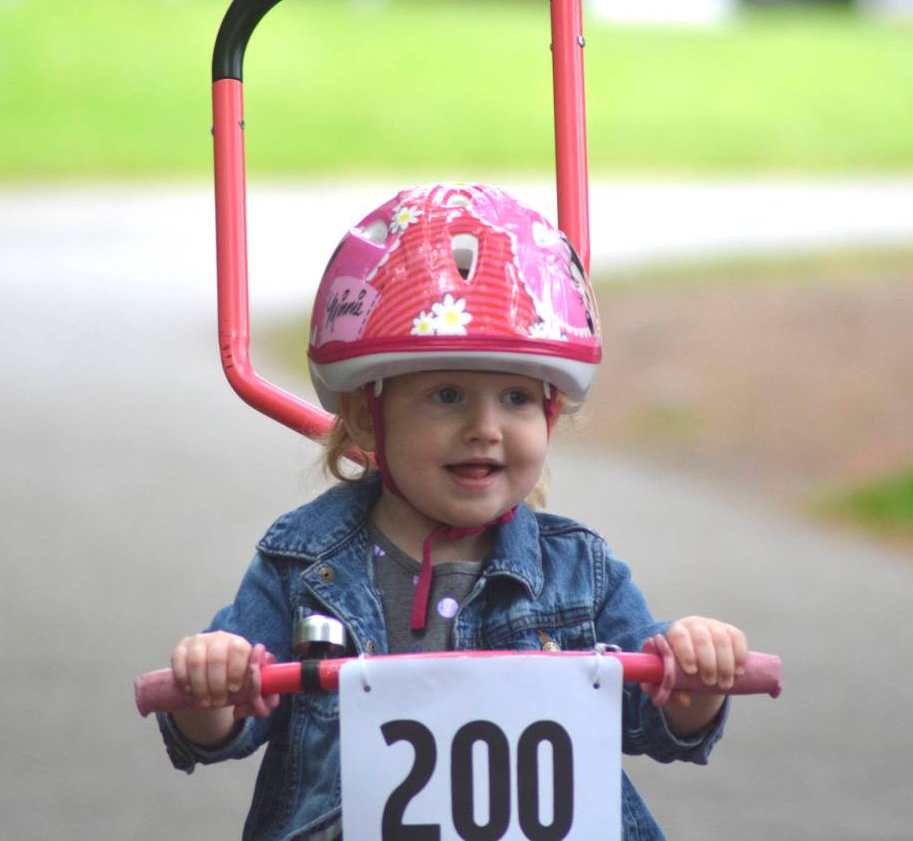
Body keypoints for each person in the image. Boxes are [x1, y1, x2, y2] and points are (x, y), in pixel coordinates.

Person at [156, 182, 749, 840]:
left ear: (553, 412)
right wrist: (211, 686)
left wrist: (697, 676)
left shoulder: (580, 572)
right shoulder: (303, 566)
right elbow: (223, 730)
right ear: (365, 416)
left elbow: (655, 719)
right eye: (446, 394)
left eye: (518, 398)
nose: (485, 427)